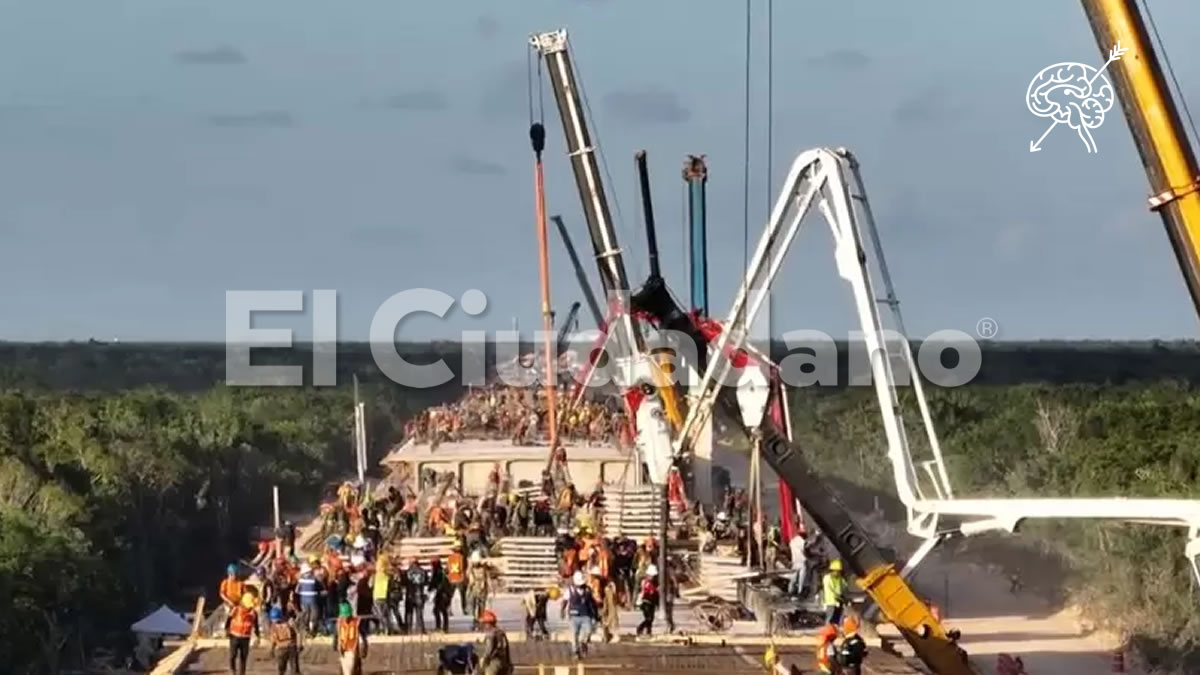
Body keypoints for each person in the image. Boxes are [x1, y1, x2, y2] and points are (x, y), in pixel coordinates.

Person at [562, 570, 597, 659]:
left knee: (588, 631)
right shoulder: (570, 590)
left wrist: (595, 614)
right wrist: (562, 610)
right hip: (574, 616)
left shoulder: (587, 590)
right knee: (574, 635)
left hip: (586, 615)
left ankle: (583, 643)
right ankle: (575, 652)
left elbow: (592, 603)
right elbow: (565, 601)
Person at [228, 592, 260, 675]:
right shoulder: (236, 609)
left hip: (246, 637)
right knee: (233, 655)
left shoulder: (254, 613)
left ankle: (242, 673)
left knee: (243, 657)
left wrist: (258, 636)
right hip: (234, 636)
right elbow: (229, 619)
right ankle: (233, 669)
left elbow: (256, 625)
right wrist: (226, 629)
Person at [333, 602, 367, 675]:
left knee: (354, 670)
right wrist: (335, 644)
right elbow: (336, 634)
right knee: (344, 671)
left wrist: (364, 648)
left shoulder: (357, 623)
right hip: (343, 650)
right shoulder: (339, 623)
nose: (345, 618)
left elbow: (363, 636)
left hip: (353, 650)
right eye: (344, 616)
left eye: (347, 616)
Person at [478, 609, 513, 675]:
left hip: (495, 663)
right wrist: (509, 663)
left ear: (488, 623)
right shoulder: (501, 633)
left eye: (484, 623)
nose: (483, 626)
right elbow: (507, 648)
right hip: (504, 662)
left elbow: (489, 650)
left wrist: (483, 661)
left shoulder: (491, 634)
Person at [269, 606, 302, 675]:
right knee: (292, 669)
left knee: (282, 670)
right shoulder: (289, 622)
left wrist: (271, 650)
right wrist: (299, 644)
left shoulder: (274, 626)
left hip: (282, 649)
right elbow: (298, 633)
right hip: (291, 647)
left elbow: (273, 640)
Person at [467, 553, 491, 631]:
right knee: (473, 606)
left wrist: (490, 588)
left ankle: (481, 623)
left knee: (481, 607)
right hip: (474, 589)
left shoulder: (483, 568)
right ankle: (475, 621)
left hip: (482, 590)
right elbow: (469, 578)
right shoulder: (471, 569)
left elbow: (487, 578)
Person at [404, 557, 428, 634]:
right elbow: (426, 582)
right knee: (419, 614)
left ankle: (408, 630)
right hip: (419, 594)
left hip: (410, 595)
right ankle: (421, 630)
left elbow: (404, 583)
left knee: (409, 613)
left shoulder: (407, 572)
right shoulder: (423, 571)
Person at [429, 557, 453, 633]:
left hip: (442, 594)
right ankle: (442, 627)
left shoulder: (439, 572)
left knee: (439, 610)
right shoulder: (439, 571)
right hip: (442, 593)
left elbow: (438, 583)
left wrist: (433, 589)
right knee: (440, 611)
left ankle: (441, 627)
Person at [635, 564, 660, 636]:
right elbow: (645, 591)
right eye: (651, 576)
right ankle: (640, 628)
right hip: (646, 602)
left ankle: (649, 631)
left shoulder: (655, 583)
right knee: (648, 618)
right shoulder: (645, 582)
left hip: (652, 602)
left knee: (651, 618)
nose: (652, 577)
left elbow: (656, 594)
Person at [822, 560, 848, 626]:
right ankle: (828, 630)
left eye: (839, 571)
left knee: (839, 618)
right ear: (832, 570)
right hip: (831, 602)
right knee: (830, 618)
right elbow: (831, 590)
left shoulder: (840, 579)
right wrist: (840, 598)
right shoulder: (827, 578)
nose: (837, 573)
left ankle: (837, 631)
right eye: (836, 571)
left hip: (839, 602)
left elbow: (845, 586)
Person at [787, 529, 809, 597]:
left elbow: (789, 551)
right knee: (801, 580)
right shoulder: (803, 541)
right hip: (802, 562)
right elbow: (805, 551)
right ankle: (800, 593)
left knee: (793, 579)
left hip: (795, 561)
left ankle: (790, 592)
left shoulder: (792, 541)